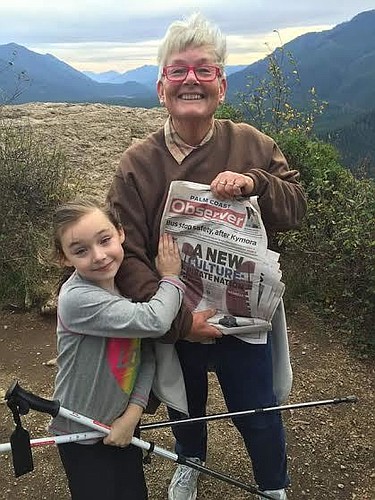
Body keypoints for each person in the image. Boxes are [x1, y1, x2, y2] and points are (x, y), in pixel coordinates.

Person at [107, 13, 307, 500]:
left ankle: (272, 484)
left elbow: (296, 204)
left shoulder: (251, 143)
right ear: (161, 87)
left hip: (244, 321)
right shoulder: (137, 164)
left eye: (204, 69)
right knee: (185, 405)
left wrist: (256, 183)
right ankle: (190, 459)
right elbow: (126, 254)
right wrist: (177, 320)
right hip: (177, 318)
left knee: (257, 410)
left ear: (221, 83)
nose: (190, 80)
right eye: (178, 71)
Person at [48, 199, 186, 500]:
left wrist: (132, 415)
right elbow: (156, 321)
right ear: (64, 258)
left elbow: (145, 353)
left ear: (120, 233)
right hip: (80, 430)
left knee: (134, 492)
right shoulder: (77, 299)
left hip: (121, 422)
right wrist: (172, 278)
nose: (98, 256)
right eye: (80, 250)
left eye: (105, 240)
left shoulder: (124, 287)